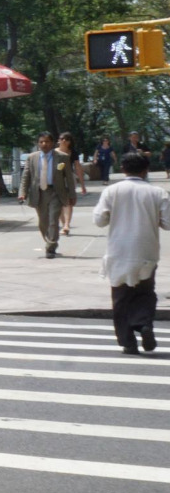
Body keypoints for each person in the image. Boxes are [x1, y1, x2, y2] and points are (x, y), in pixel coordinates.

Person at [94, 152, 170, 355]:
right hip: (146, 251)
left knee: (121, 297)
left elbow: (99, 220)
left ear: (123, 169)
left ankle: (128, 341)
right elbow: (168, 223)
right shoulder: (158, 193)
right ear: (146, 170)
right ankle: (143, 323)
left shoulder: (112, 191)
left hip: (118, 251)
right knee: (145, 293)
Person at [19, 133, 68, 258]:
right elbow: (26, 177)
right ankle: (49, 241)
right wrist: (22, 192)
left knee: (53, 220)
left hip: (56, 192)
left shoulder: (62, 157)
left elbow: (69, 178)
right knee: (43, 222)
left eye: (46, 142)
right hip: (39, 192)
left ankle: (51, 246)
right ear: (38, 143)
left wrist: (72, 194)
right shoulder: (32, 157)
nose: (44, 144)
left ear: (52, 143)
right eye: (41, 142)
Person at [58, 133, 90, 236]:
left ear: (70, 142)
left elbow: (78, 168)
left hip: (69, 178)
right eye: (62, 139)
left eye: (67, 139)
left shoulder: (73, 152)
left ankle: (66, 224)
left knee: (68, 202)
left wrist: (82, 185)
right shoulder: (53, 152)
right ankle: (63, 224)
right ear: (58, 140)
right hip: (56, 179)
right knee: (59, 203)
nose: (64, 141)